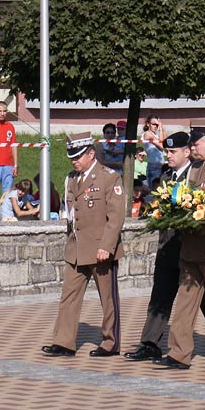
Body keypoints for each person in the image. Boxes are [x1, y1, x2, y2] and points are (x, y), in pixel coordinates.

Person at [125, 132, 205, 362]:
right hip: (187, 247)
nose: (193, 147)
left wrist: (198, 217)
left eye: (195, 143)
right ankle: (178, 353)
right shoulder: (194, 170)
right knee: (183, 305)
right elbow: (184, 199)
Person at [41, 132, 125, 357]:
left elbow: (116, 217)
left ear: (91, 154)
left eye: (78, 156)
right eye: (71, 157)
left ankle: (110, 342)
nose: (74, 161)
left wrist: (107, 246)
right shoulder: (71, 178)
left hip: (101, 249)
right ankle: (64, 342)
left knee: (108, 299)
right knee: (68, 295)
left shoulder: (109, 177)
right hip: (76, 248)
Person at [142, 114, 166, 187]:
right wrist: (160, 129)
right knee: (154, 189)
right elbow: (161, 145)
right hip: (153, 165)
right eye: (153, 124)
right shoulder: (147, 134)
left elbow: (165, 142)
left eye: (157, 125)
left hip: (161, 164)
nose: (155, 126)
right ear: (148, 124)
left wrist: (162, 128)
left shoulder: (156, 135)